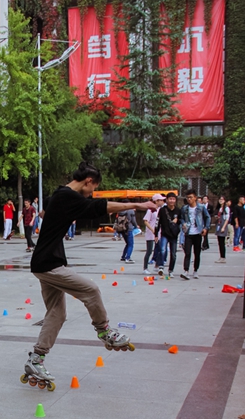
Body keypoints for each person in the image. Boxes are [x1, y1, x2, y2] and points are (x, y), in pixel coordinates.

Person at [23, 162, 158, 382]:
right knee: (91, 290)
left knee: (57, 313)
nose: (92, 193)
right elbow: (99, 207)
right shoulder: (66, 196)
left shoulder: (59, 194)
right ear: (88, 181)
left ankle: (36, 359)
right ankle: (105, 331)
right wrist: (138, 204)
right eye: (93, 188)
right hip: (49, 264)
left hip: (45, 261)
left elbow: (44, 209)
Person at [179, 189, 211, 280]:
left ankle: (195, 270)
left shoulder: (201, 207)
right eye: (187, 197)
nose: (189, 199)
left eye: (191, 197)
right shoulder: (185, 208)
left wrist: (206, 228)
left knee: (197, 253)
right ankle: (186, 271)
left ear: (195, 198)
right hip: (188, 233)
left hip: (198, 233)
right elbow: (181, 218)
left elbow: (207, 217)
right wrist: (183, 223)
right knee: (187, 253)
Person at [155, 192, 181, 278]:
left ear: (175, 200)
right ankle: (161, 267)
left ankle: (171, 270)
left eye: (173, 199)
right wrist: (156, 234)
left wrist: (177, 221)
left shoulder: (178, 211)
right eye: (170, 199)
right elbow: (158, 222)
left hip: (174, 235)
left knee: (173, 254)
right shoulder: (162, 210)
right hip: (164, 234)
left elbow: (181, 222)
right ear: (166, 200)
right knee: (162, 250)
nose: (172, 201)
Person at [143, 194, 165, 274]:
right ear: (156, 201)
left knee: (160, 249)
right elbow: (145, 221)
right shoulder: (151, 210)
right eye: (161, 200)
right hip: (151, 233)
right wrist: (152, 230)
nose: (162, 202)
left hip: (158, 233)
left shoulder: (161, 210)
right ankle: (145, 268)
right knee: (149, 251)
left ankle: (157, 265)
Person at [215, 196, 230, 263]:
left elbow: (227, 219)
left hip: (222, 225)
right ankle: (221, 257)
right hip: (219, 224)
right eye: (220, 199)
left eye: (222, 199)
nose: (220, 200)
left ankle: (223, 257)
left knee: (222, 242)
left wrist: (223, 227)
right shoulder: (219, 208)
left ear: (224, 200)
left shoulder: (226, 208)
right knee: (219, 242)